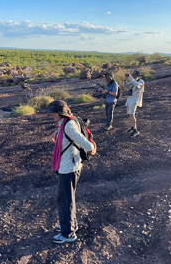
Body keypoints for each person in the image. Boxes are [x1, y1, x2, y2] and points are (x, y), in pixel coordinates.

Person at [47, 100, 95, 243]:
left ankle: (68, 233)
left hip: (69, 168)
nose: (52, 116)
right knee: (66, 198)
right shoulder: (67, 122)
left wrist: (92, 148)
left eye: (53, 113)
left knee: (65, 200)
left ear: (58, 114)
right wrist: (56, 134)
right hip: (67, 165)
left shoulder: (69, 126)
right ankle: (68, 224)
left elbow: (87, 146)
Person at [124, 71, 145, 137]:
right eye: (133, 75)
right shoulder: (132, 81)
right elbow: (126, 86)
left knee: (132, 114)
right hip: (130, 99)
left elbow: (136, 84)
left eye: (135, 76)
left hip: (135, 99)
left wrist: (130, 78)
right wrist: (125, 80)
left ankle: (135, 130)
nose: (133, 77)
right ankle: (133, 127)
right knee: (130, 114)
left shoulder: (141, 81)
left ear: (138, 76)